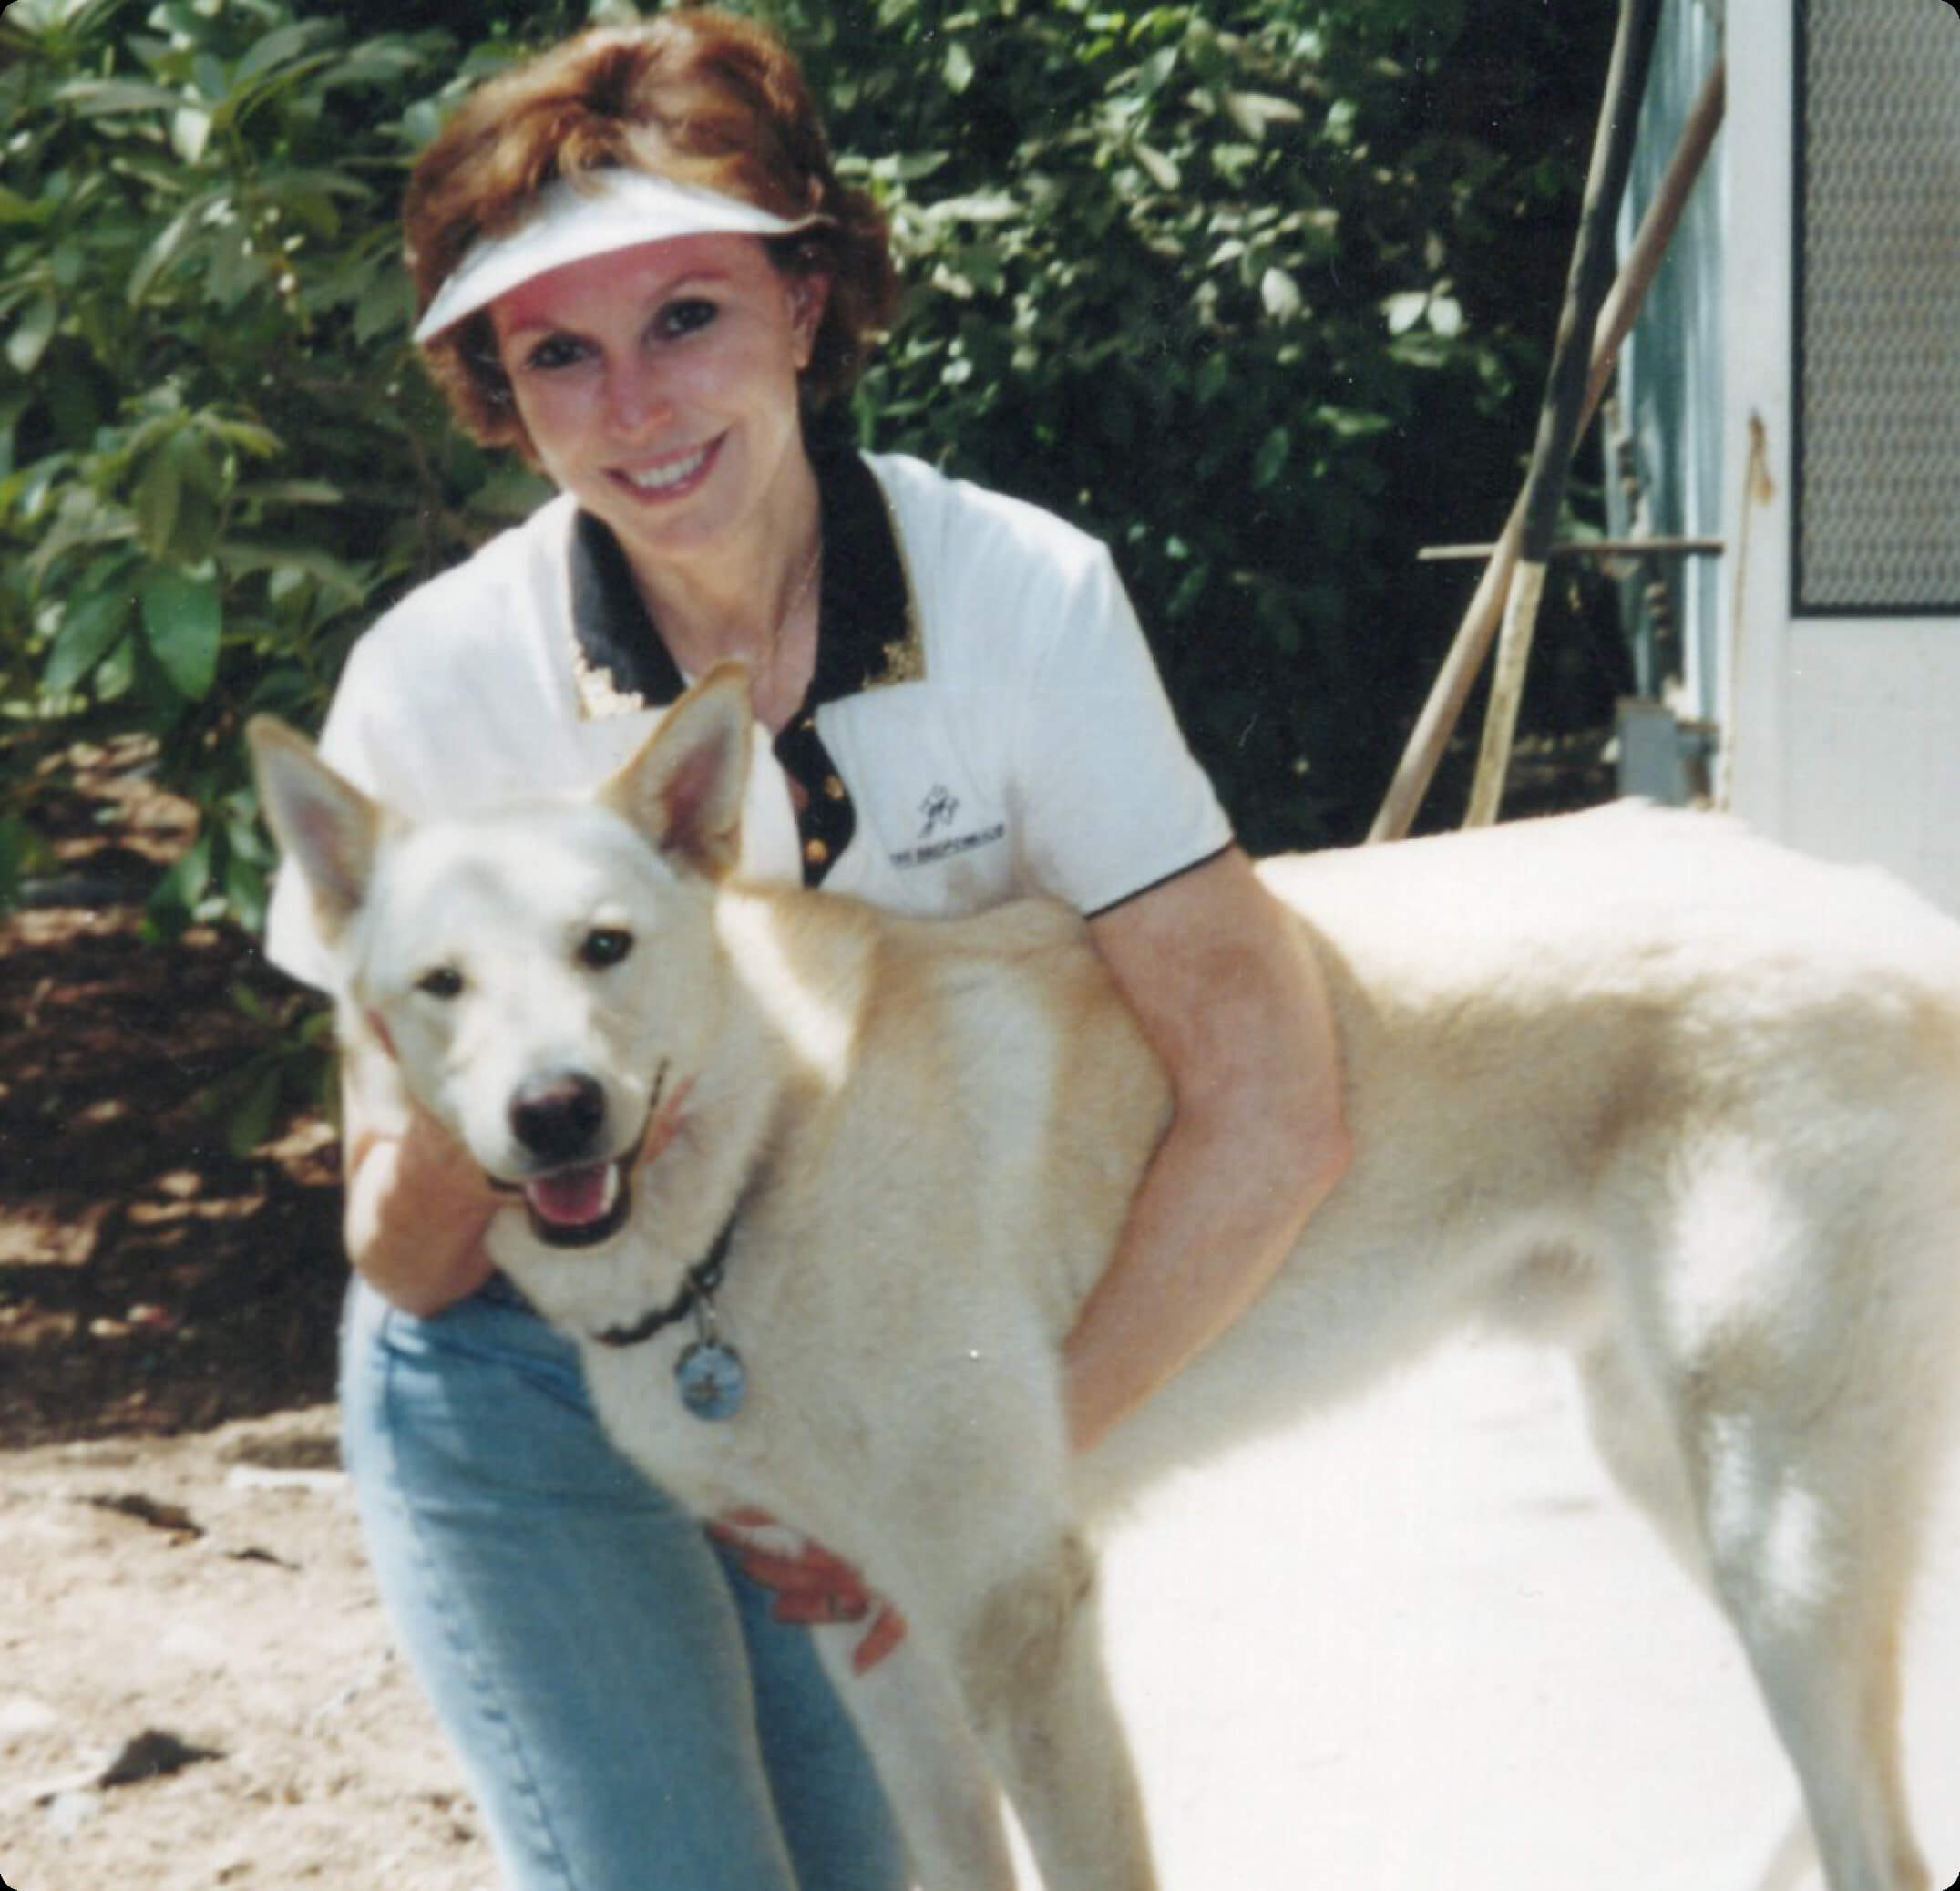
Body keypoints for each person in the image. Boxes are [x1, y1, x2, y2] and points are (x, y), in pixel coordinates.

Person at [263, 12, 1352, 1890]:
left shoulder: (1018, 596)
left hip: (873, 1351)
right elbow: (400, 1244)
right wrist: (498, 1032)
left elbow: (1265, 1097)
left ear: (806, 299)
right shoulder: (430, 688)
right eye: (556, 355)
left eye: (686, 313)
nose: (635, 404)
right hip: (525, 1365)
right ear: (495, 394)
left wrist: (980, 1475)